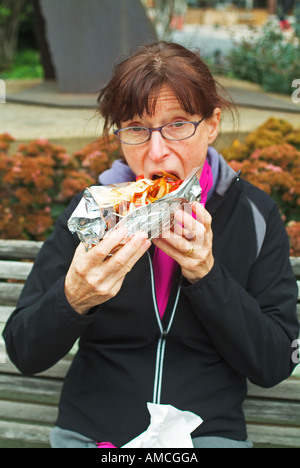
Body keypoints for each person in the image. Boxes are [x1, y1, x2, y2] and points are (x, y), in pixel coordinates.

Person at [3, 41, 299, 449]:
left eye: (178, 124)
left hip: (206, 435)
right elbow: (23, 350)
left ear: (211, 124)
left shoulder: (254, 214)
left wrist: (207, 275)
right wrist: (75, 297)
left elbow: (275, 363)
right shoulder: (90, 213)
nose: (157, 153)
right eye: (137, 128)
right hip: (93, 434)